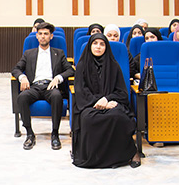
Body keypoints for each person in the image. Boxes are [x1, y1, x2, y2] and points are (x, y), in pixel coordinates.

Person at [71, 33, 139, 169]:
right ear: (90, 46)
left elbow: (122, 93)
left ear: (106, 47)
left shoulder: (114, 66)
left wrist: (107, 100)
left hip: (112, 103)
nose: (98, 47)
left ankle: (130, 153)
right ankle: (94, 158)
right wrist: (100, 102)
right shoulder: (82, 65)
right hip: (89, 105)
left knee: (119, 116)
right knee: (89, 119)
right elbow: (81, 92)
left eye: (102, 44)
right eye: (95, 43)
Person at [12, 22, 73, 151]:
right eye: (40, 34)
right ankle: (29, 134)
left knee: (57, 96)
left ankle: (55, 134)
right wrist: (22, 77)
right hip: (34, 86)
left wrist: (58, 78)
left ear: (51, 36)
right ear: (36, 36)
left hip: (50, 86)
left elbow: (70, 70)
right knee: (22, 97)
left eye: (46, 34)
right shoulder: (29, 54)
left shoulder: (59, 53)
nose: (43, 36)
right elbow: (16, 69)